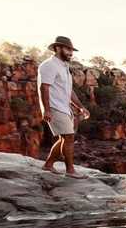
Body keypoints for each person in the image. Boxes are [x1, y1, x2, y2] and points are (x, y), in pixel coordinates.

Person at [37, 36, 91, 179]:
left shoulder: (64, 66)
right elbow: (44, 88)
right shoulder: (49, 65)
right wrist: (47, 109)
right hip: (55, 108)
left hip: (64, 108)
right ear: (57, 48)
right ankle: (70, 170)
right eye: (68, 49)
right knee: (69, 137)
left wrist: (80, 107)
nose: (71, 53)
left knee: (64, 138)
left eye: (71, 50)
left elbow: (69, 91)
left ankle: (48, 164)